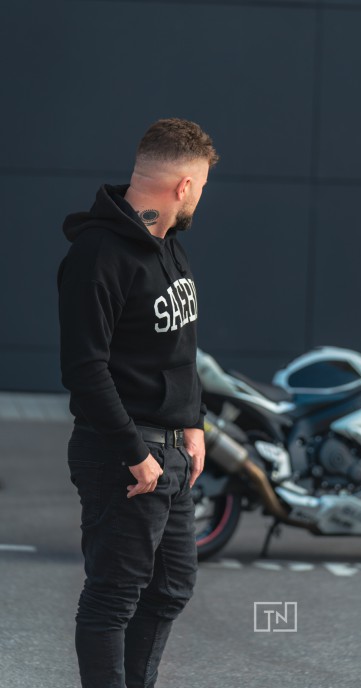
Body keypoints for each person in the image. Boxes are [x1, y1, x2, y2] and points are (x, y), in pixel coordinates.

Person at [57, 118, 218, 688]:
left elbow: (181, 346)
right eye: (200, 187)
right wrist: (134, 453)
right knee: (114, 597)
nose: (199, 198)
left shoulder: (168, 244)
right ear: (182, 185)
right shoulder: (98, 254)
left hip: (171, 453)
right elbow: (84, 369)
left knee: (171, 586)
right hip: (124, 457)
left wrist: (193, 423)